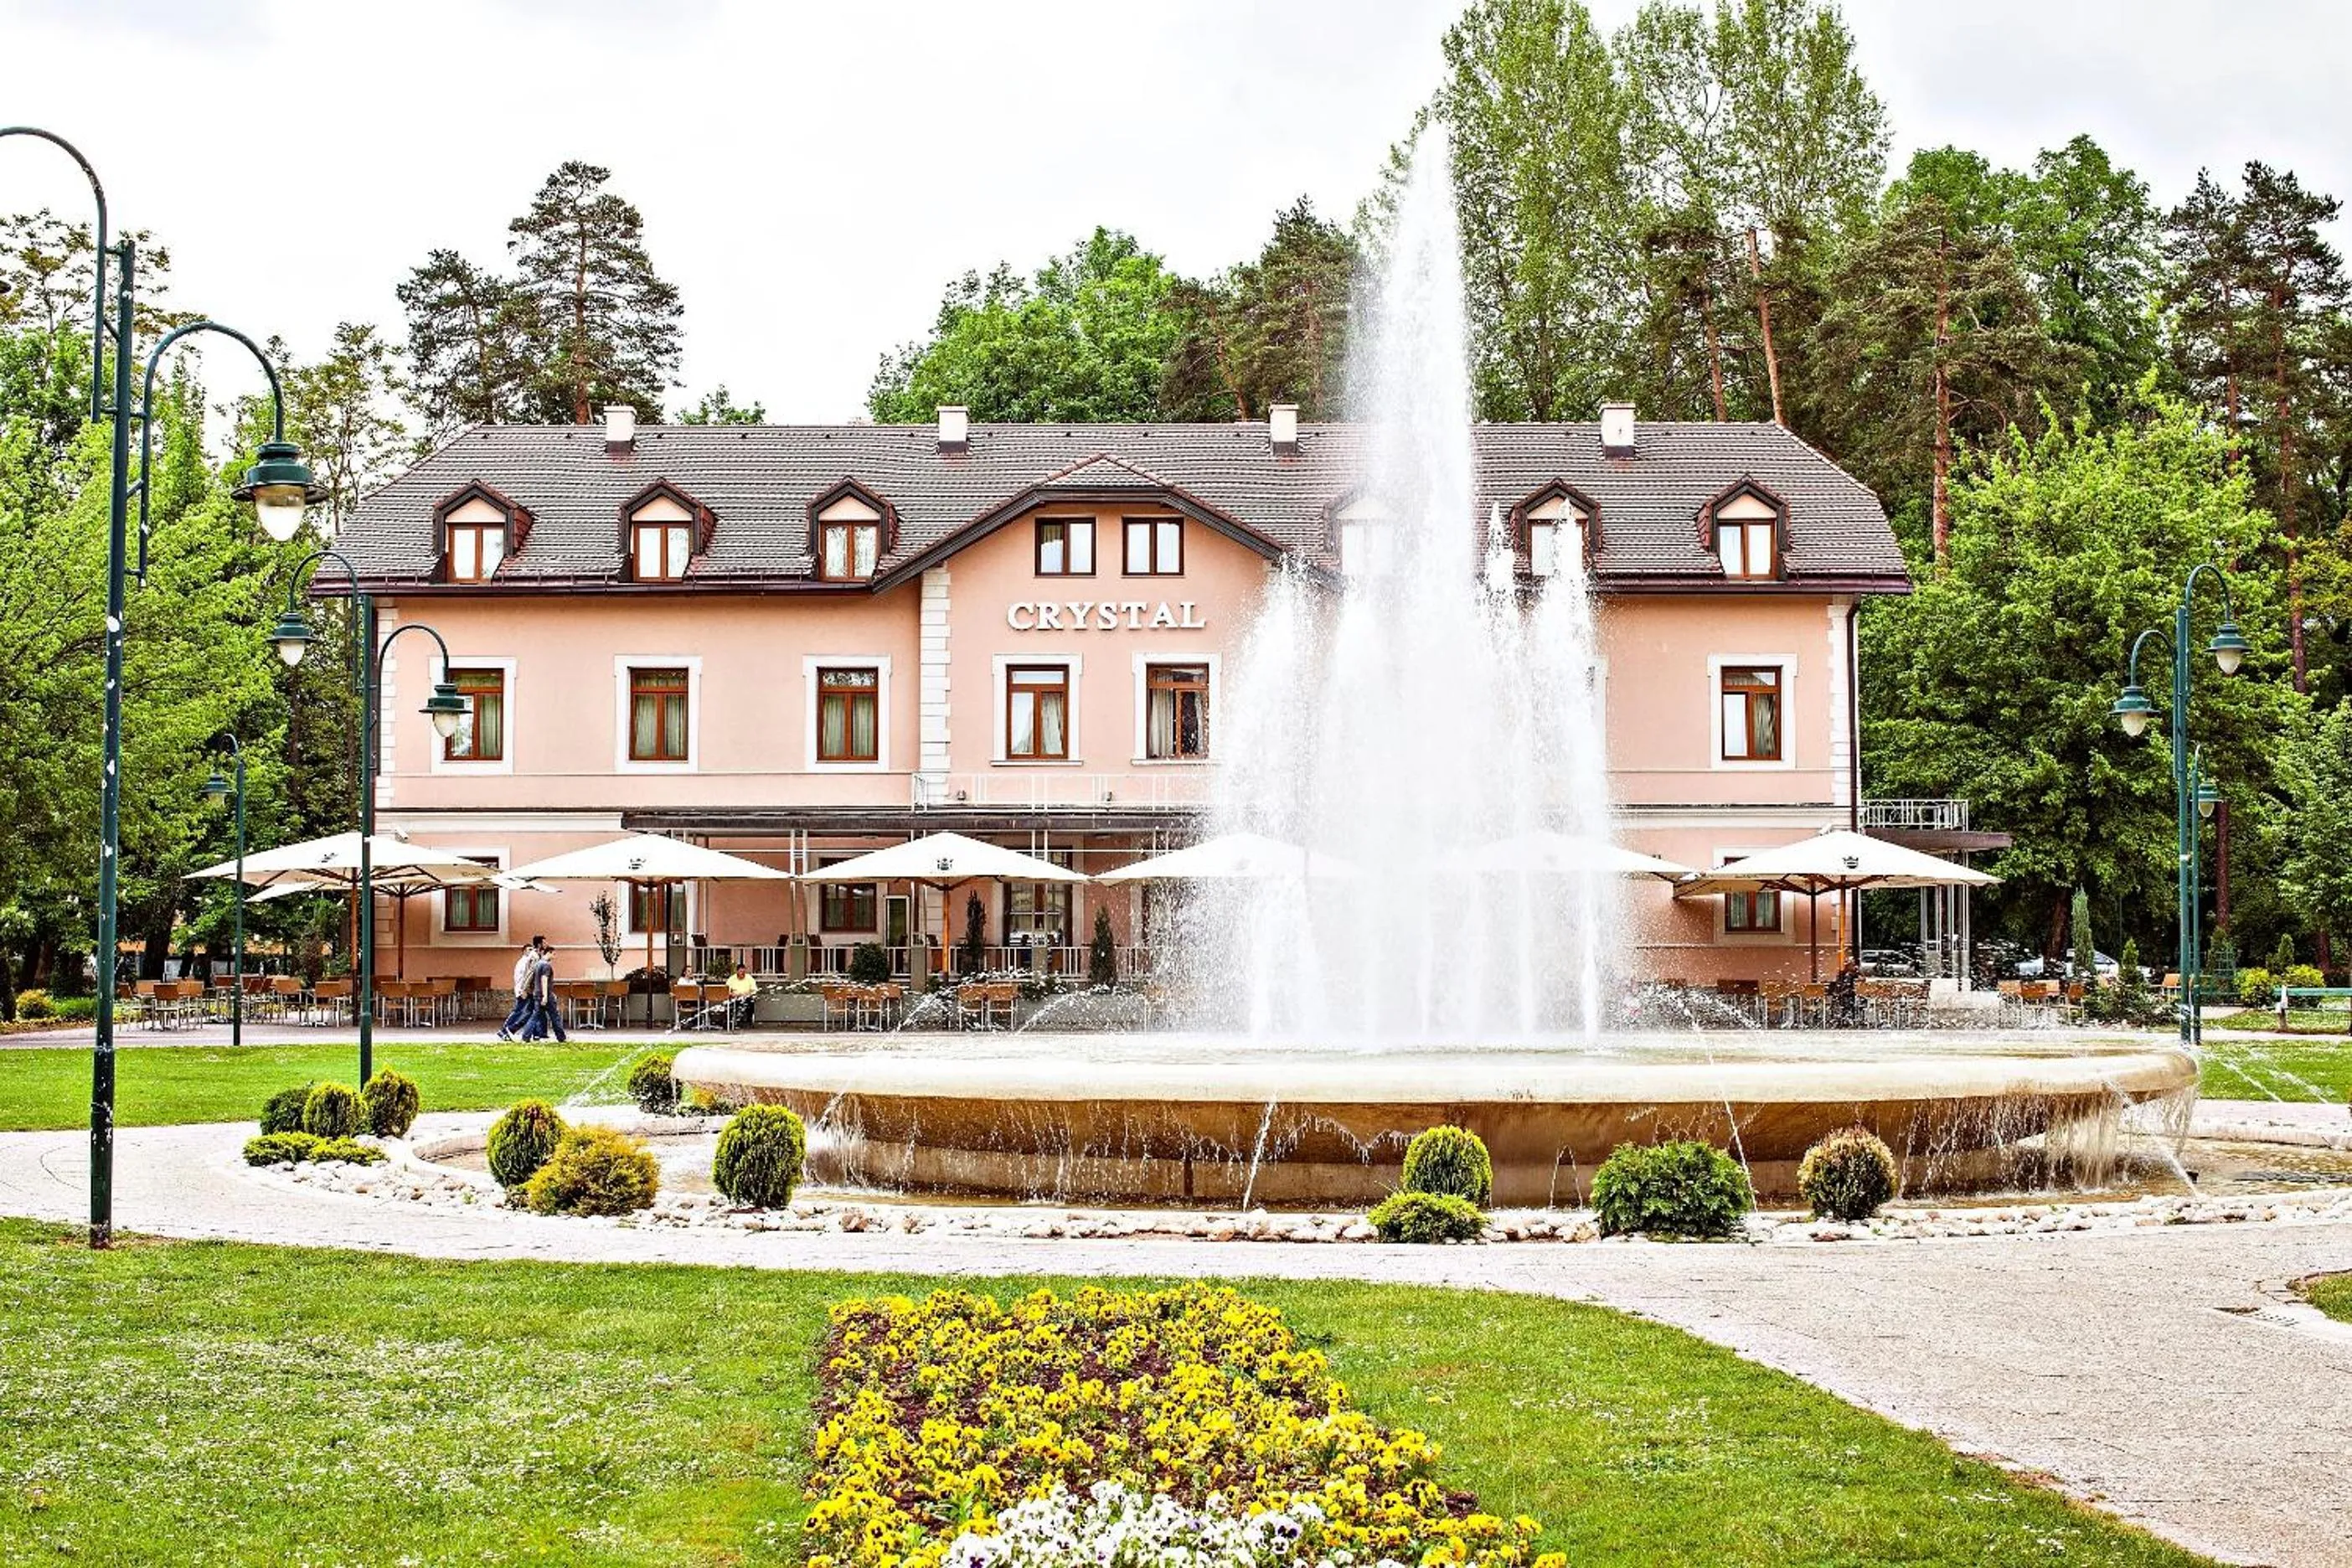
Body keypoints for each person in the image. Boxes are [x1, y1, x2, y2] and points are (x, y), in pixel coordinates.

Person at [517, 937, 569, 1044]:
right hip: (545, 995)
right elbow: (544, 980)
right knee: (555, 1017)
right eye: (554, 954)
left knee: (535, 1016)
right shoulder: (546, 966)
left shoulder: (537, 964)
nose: (555, 957)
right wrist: (545, 996)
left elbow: (531, 978)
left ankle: (525, 1037)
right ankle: (561, 1038)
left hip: (536, 994)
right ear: (549, 953)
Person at [495, 936, 539, 1041]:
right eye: (529, 950)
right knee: (518, 1012)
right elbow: (523, 977)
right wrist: (522, 990)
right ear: (524, 951)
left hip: (526, 990)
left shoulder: (528, 961)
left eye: (533, 950)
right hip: (523, 990)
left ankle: (534, 1033)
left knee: (530, 1012)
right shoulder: (523, 962)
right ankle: (504, 1031)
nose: (532, 952)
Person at [725, 962, 758, 1030]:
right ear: (737, 971)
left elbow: (754, 990)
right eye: (741, 971)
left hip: (746, 997)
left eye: (744, 972)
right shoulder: (732, 979)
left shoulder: (749, 978)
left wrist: (748, 994)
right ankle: (731, 1022)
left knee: (750, 1003)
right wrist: (731, 994)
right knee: (730, 1005)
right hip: (735, 998)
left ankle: (749, 1021)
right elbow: (726, 990)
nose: (742, 973)